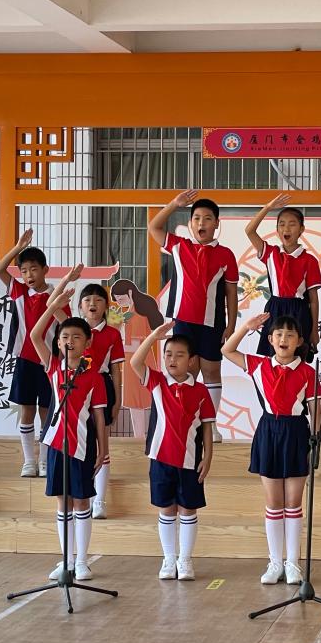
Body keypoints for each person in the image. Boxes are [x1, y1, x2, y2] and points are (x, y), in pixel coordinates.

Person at [222, 313, 320, 586]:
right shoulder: (259, 365)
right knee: (274, 502)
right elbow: (227, 350)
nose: (283, 339)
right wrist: (246, 327)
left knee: (293, 502)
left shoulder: (308, 372)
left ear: (299, 341)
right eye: (278, 334)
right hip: (268, 432)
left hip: (297, 433)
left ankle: (293, 563)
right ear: (270, 339)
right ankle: (275, 562)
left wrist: (315, 442)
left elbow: (316, 412)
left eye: (290, 335)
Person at [149, 190, 239, 443]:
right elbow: (154, 227)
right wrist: (174, 204)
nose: (202, 223)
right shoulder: (180, 246)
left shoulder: (226, 254)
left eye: (208, 218)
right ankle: (186, 422)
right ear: (190, 223)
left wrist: (231, 325)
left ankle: (211, 425)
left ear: (217, 224)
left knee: (211, 371)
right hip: (183, 322)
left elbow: (231, 293)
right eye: (197, 218)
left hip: (212, 323)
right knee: (186, 372)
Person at [130, 320, 215, 581]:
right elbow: (135, 362)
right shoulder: (157, 382)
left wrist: (208, 457)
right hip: (160, 458)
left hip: (190, 460)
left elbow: (207, 427)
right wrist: (154, 336)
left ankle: (185, 560)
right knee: (166, 509)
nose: (172, 360)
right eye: (168, 354)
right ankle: (169, 559)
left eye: (179, 355)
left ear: (191, 361)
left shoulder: (200, 391)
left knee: (188, 510)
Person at [32, 315, 108, 582]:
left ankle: (83, 561)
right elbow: (34, 336)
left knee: (81, 501)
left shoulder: (95, 376)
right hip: (56, 443)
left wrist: (103, 449)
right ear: (58, 342)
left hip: (83, 445)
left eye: (76, 337)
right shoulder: (53, 367)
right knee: (62, 501)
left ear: (87, 342)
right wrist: (52, 307)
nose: (70, 342)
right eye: (64, 337)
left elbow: (99, 416)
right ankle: (67, 559)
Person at [0, 229, 69, 478]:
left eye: (33, 269)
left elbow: (67, 326)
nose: (28, 275)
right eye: (24, 270)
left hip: (49, 363)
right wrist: (18, 247)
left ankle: (46, 461)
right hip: (24, 360)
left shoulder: (56, 296)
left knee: (47, 412)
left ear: (45, 270)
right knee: (26, 411)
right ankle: (29, 461)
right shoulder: (18, 292)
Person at [244, 193, 321, 361]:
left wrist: (314, 329)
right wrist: (268, 207)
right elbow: (249, 231)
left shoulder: (309, 260)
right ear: (277, 230)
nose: (286, 228)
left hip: (299, 310)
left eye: (292, 224)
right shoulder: (271, 253)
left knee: (297, 357)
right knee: (272, 357)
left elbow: (313, 299)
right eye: (282, 224)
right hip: (275, 308)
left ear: (301, 229)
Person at [75, 281, 125, 519]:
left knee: (102, 443)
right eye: (87, 300)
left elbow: (116, 370)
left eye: (98, 300)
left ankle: (100, 501)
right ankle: (83, 495)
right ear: (80, 306)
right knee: (82, 443)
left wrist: (118, 401)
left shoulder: (113, 334)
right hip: (77, 386)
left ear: (106, 306)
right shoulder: (75, 330)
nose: (92, 304)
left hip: (102, 385)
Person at [111, 279, 164, 440]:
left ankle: (143, 438)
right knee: (139, 402)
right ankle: (140, 438)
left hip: (138, 360)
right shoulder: (128, 312)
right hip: (133, 361)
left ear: (130, 292)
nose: (119, 303)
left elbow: (137, 342)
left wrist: (116, 330)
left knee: (141, 401)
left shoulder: (138, 313)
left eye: (120, 299)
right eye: (117, 300)